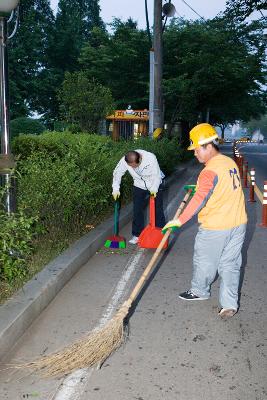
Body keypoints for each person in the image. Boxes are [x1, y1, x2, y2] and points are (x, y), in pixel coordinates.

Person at [162, 123, 247, 319]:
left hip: (216, 227)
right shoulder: (228, 162)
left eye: (197, 149)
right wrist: (201, 186)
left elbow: (200, 198)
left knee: (205, 262)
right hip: (238, 224)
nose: (195, 154)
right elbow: (220, 188)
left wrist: (179, 220)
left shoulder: (209, 171)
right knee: (230, 265)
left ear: (208, 146)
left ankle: (200, 291)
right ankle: (229, 305)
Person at [112, 150, 166, 244]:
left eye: (135, 166)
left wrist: (154, 189)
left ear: (140, 158)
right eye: (131, 166)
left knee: (158, 209)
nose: (134, 168)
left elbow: (156, 175)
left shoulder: (150, 158)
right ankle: (137, 235)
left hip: (154, 183)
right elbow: (117, 174)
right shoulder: (124, 161)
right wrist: (115, 189)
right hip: (139, 185)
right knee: (137, 209)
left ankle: (160, 234)